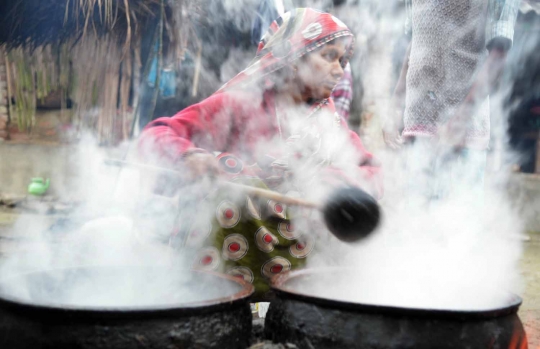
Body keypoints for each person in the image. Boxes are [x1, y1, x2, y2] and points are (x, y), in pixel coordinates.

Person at [139, 8, 381, 300]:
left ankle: (307, 301)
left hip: (305, 247)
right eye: (329, 56)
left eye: (343, 60)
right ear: (294, 58)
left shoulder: (330, 123)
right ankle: (226, 298)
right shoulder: (241, 104)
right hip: (241, 248)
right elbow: (157, 134)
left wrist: (332, 182)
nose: (340, 70)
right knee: (238, 192)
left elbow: (371, 170)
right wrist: (189, 157)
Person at [383, 0, 521, 203]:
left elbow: (499, 54)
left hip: (463, 133)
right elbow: (417, 41)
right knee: (414, 220)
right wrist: (395, 106)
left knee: (455, 223)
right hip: (416, 124)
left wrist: (461, 120)